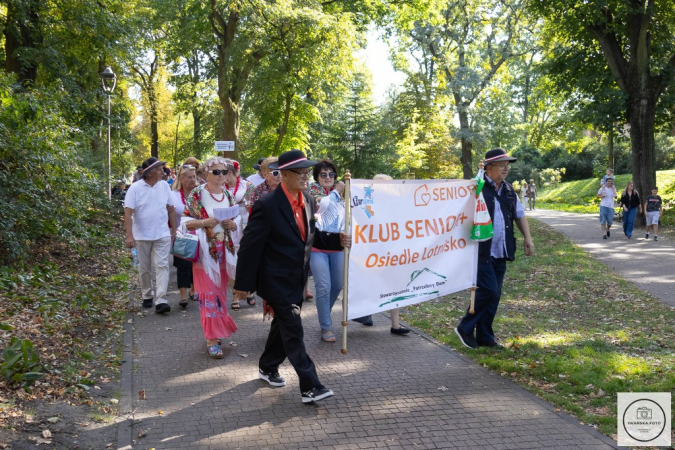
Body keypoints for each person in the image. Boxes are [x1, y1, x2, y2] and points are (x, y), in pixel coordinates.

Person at [233, 149, 351, 404]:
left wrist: (335, 239)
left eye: (308, 172)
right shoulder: (266, 205)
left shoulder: (308, 200)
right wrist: (242, 285)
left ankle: (267, 366)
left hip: (297, 279)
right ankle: (311, 386)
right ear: (285, 174)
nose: (307, 177)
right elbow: (250, 247)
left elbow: (310, 237)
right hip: (274, 280)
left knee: (282, 327)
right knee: (294, 329)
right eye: (302, 173)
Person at [454, 148, 535, 349]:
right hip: (481, 250)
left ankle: (485, 336)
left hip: (501, 249)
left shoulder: (508, 190)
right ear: (489, 168)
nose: (506, 168)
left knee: (495, 294)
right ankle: (465, 327)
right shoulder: (477, 188)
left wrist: (528, 237)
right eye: (501, 165)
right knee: (488, 290)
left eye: (507, 165)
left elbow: (519, 214)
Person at [183, 157, 239, 358]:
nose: (221, 175)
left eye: (224, 172)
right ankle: (211, 339)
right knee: (208, 294)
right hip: (206, 253)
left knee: (220, 294)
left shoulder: (227, 194)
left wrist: (232, 225)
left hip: (224, 252)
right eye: (216, 172)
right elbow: (185, 221)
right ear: (205, 174)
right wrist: (203, 222)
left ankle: (217, 332)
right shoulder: (198, 194)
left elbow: (236, 219)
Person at [124, 157, 177, 314]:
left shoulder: (164, 187)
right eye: (159, 169)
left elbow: (171, 209)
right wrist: (129, 236)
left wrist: (174, 230)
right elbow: (128, 214)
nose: (163, 172)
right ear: (149, 173)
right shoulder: (135, 189)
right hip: (141, 236)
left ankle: (161, 300)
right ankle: (147, 294)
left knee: (162, 266)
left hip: (162, 234)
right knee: (145, 269)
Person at [307, 159, 346, 343]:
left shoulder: (341, 197)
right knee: (323, 286)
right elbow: (322, 205)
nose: (328, 177)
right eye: (323, 174)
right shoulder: (313, 191)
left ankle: (325, 315)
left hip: (337, 246)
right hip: (318, 246)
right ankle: (326, 326)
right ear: (317, 177)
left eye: (331, 174)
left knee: (337, 284)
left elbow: (346, 218)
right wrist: (337, 191)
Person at [171, 164, 199, 307]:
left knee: (196, 264)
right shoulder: (173, 195)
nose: (193, 180)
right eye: (189, 177)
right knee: (182, 265)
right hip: (181, 235)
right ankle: (182, 295)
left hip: (198, 235)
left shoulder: (200, 193)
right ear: (181, 179)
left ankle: (193, 290)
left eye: (194, 177)